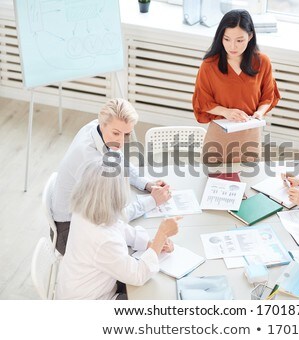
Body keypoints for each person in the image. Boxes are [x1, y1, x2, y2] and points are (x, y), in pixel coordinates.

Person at [51, 98, 171, 255]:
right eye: (116, 133)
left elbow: (120, 160)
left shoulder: (99, 130)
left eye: (126, 134)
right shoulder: (92, 161)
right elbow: (112, 219)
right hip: (69, 233)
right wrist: (152, 201)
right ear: (102, 124)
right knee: (135, 258)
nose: (121, 141)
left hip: (85, 219)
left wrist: (146, 184)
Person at [55, 161, 180, 300]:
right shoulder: (103, 240)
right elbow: (138, 275)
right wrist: (161, 236)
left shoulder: (84, 208)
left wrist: (149, 243)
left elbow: (117, 226)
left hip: (77, 285)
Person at [192, 9, 280, 163]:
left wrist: (259, 113)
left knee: (248, 180)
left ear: (250, 36)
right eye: (227, 39)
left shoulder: (262, 62)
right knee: (213, 181)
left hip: (250, 134)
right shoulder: (209, 65)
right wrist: (226, 112)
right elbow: (202, 101)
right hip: (219, 134)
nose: (232, 46)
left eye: (239, 40)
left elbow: (268, 96)